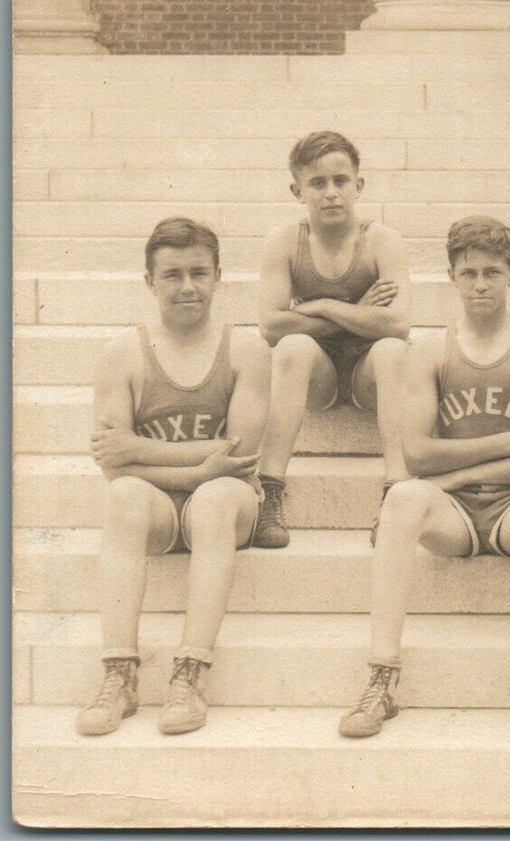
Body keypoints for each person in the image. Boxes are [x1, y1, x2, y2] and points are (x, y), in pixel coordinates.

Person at [338, 217, 510, 738]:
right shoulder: (431, 349)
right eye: (468, 274)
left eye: (492, 273)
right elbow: (416, 452)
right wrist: (505, 443)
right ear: (451, 277)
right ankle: (381, 677)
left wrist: (459, 474)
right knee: (403, 497)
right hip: (456, 519)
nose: (480, 285)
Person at [76, 218, 271, 736]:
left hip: (226, 505)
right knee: (124, 495)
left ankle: (191, 671)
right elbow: (112, 464)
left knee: (216, 496)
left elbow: (239, 455)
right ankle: (119, 673)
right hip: (158, 509)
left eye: (199, 273)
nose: (188, 286)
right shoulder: (122, 353)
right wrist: (200, 465)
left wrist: (140, 448)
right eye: (172, 275)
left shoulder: (245, 349)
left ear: (218, 277)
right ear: (150, 281)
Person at [253, 131, 412, 548]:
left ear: (358, 185)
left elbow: (398, 325)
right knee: (292, 347)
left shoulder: (381, 240)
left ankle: (396, 493)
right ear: (297, 191)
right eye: (317, 183)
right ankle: (269, 490)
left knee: (393, 350)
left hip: (367, 375)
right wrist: (359, 311)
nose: (330, 193)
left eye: (340, 181)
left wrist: (320, 305)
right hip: (316, 376)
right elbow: (271, 327)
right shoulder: (285, 241)